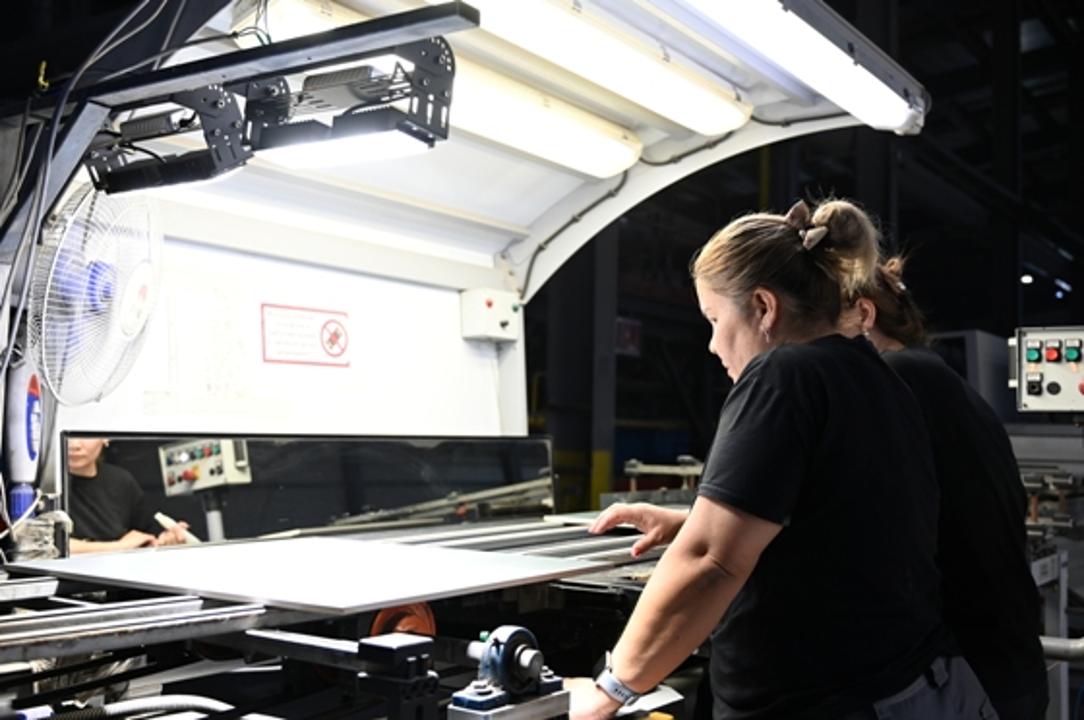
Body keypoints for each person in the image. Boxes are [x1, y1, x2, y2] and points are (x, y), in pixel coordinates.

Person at [569, 200, 994, 720]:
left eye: (714, 319)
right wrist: (690, 521)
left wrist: (611, 689)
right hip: (912, 689)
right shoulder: (879, 379)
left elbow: (710, 562)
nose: (712, 344)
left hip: (830, 703)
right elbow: (840, 522)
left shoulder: (783, 375)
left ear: (763, 307)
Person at [844, 258, 1047, 720]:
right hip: (1007, 663)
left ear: (864, 315)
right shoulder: (936, 376)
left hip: (973, 678)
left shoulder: (898, 377)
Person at [67, 437, 191, 554]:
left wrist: (165, 539)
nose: (74, 445)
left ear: (105, 438)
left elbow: (146, 534)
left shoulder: (120, 480)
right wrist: (119, 547)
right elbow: (56, 546)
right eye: (69, 436)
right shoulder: (55, 486)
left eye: (84, 435)